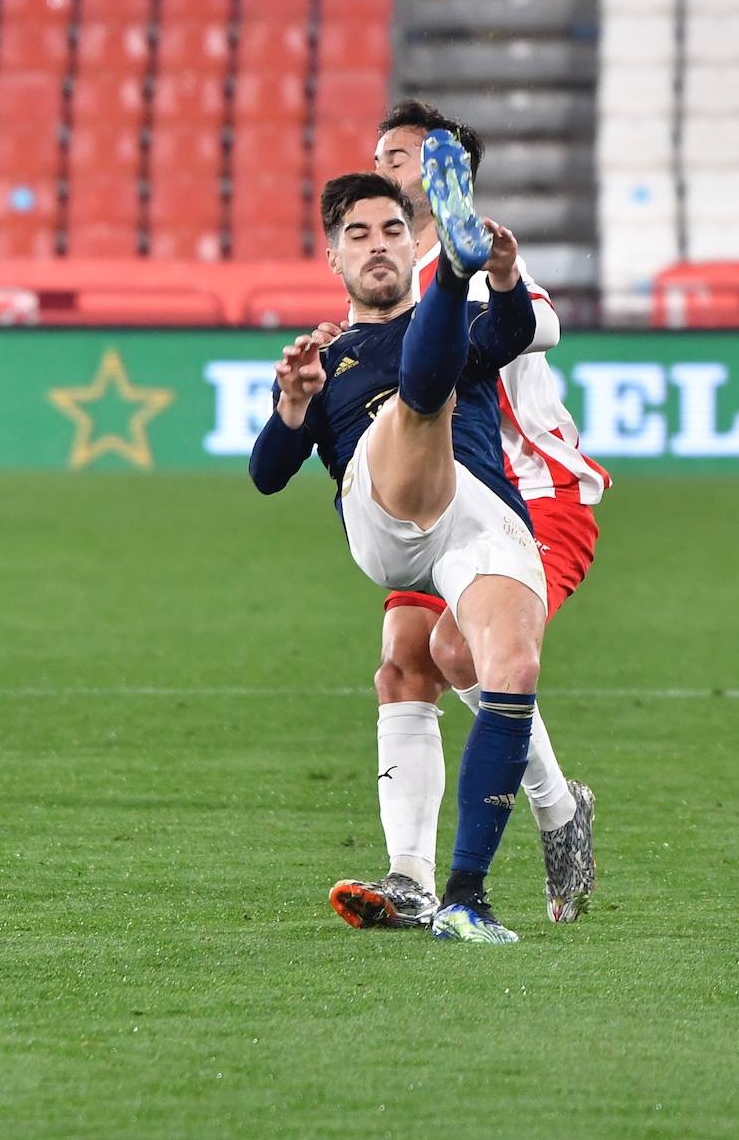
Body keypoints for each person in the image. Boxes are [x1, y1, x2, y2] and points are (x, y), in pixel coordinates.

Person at [327, 101, 610, 933]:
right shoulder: (379, 276)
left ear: (451, 177)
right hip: (439, 506)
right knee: (402, 663)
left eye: (405, 156)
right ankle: (409, 877)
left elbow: (539, 324)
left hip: (533, 498)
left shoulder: (473, 256)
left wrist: (490, 274)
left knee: (458, 651)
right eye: (379, 155)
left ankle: (559, 811)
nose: (385, 169)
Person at [249, 158, 547, 944]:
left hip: (477, 515)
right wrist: (292, 404)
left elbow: (513, 332)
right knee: (423, 399)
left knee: (511, 668)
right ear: (334, 258)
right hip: (384, 515)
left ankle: (464, 899)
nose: (377, 245)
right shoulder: (331, 358)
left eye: (392, 230)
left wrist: (508, 281)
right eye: (358, 235)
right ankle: (457, 271)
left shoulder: (465, 337)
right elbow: (267, 476)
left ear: (409, 237)